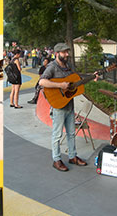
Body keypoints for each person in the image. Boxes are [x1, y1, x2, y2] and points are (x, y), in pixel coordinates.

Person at [39, 43, 88, 171]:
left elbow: (75, 80)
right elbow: (42, 81)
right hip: (58, 106)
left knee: (71, 133)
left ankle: (72, 156)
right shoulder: (52, 67)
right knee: (57, 134)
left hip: (69, 105)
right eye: (64, 52)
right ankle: (56, 159)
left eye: (67, 52)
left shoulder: (68, 67)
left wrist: (92, 77)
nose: (67, 54)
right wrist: (60, 86)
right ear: (57, 54)